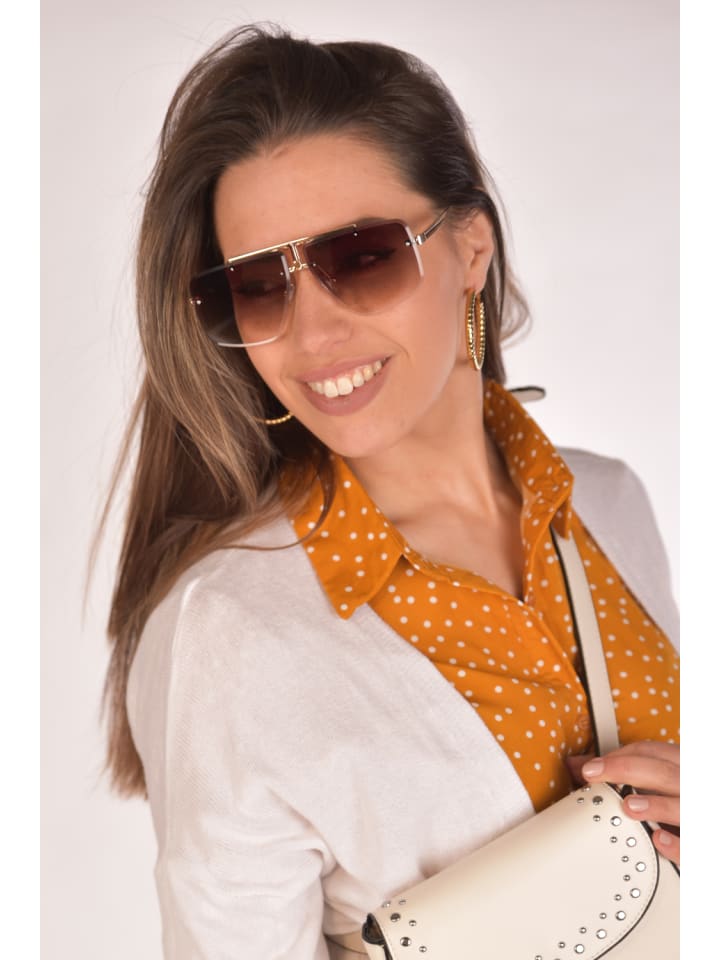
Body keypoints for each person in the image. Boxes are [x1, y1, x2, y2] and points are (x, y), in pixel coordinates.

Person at [102, 24, 680, 959]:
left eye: (362, 257)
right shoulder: (233, 629)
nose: (312, 333)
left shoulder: (610, 505)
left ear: (472, 248)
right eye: (259, 287)